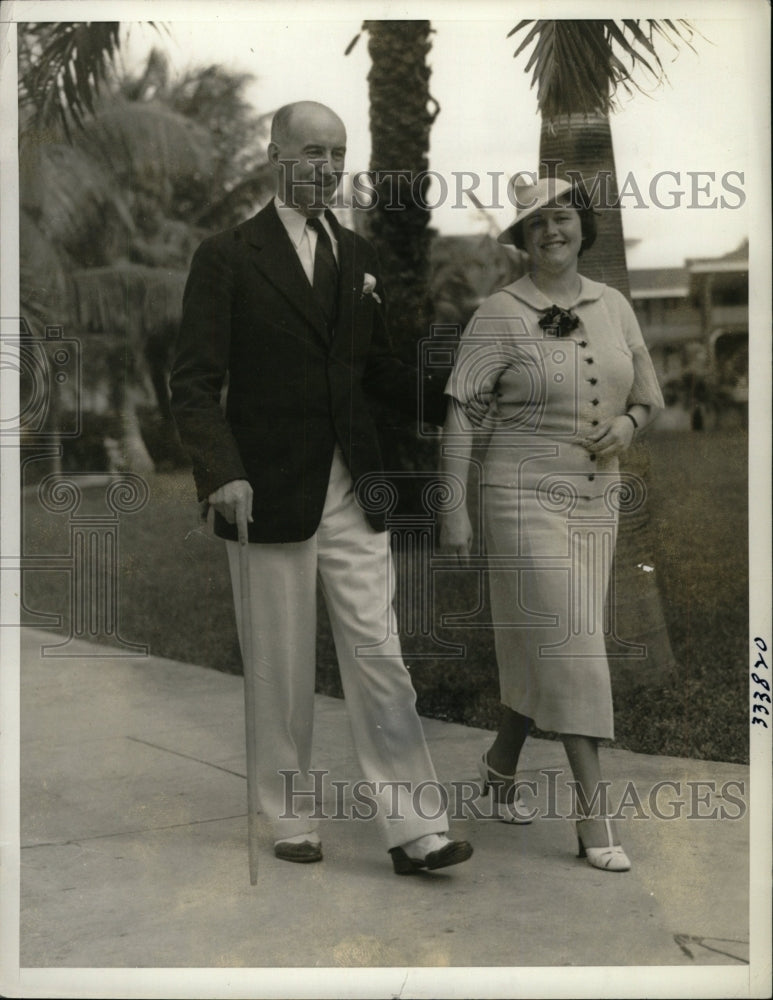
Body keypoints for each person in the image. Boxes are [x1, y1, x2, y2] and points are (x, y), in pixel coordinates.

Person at [169, 101, 472, 875]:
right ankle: (290, 815)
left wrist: (456, 396)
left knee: (380, 655)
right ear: (273, 156)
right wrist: (221, 470)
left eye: (339, 154)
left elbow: (377, 372)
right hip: (264, 491)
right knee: (278, 662)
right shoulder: (228, 255)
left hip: (353, 489)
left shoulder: (358, 254)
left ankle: (415, 831)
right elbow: (196, 383)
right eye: (312, 152)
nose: (329, 168)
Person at [439, 176, 664, 872]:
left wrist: (625, 425)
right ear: (522, 240)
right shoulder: (498, 313)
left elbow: (648, 398)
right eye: (535, 225)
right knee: (570, 641)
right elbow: (457, 413)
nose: (551, 232)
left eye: (561, 218)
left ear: (581, 227)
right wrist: (452, 507)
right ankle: (593, 817)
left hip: (596, 497)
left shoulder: (615, 305)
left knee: (555, 642)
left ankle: (499, 770)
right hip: (519, 494)